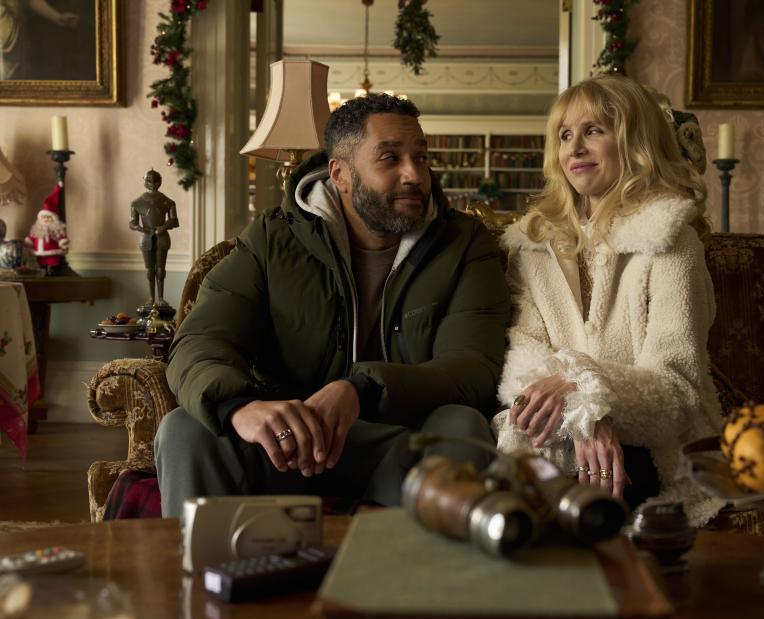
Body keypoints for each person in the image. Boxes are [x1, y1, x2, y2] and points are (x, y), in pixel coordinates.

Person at [155, 94, 511, 518]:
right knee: (184, 429)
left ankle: (429, 563)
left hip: (400, 439)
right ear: (340, 174)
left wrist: (362, 390)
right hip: (286, 443)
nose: (415, 175)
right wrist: (239, 408)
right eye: (390, 158)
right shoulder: (272, 239)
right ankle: (203, 562)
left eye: (421, 157)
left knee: (461, 425)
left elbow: (473, 368)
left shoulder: (465, 243)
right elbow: (199, 341)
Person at [493, 75, 723, 526]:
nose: (575, 148)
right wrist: (583, 414)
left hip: (656, 448)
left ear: (635, 143)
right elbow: (522, 361)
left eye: (593, 130)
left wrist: (590, 396)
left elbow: (677, 390)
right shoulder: (533, 245)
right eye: (564, 135)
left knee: (584, 493)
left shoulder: (671, 242)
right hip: (550, 436)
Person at [129, 169, 179, 308]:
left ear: (160, 181)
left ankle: (161, 298)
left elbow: (174, 221)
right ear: (145, 181)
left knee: (161, 270)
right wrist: (140, 228)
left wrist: (162, 227)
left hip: (161, 237)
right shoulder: (137, 203)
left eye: (155, 180)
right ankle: (151, 298)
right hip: (146, 237)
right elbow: (132, 222)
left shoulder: (167, 201)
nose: (152, 183)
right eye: (149, 180)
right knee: (150, 270)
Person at [25, 184, 69, 274]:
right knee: (42, 263)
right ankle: (44, 270)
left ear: (53, 219)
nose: (45, 219)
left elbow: (61, 237)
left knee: (53, 263)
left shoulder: (55, 229)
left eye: (48, 217)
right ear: (40, 218)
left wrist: (63, 243)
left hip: (53, 251)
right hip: (40, 253)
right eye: (43, 217)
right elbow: (32, 237)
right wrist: (29, 241)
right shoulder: (37, 228)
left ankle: (52, 270)